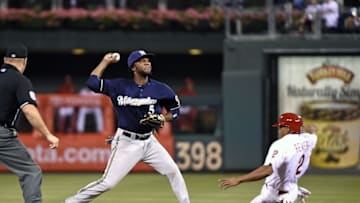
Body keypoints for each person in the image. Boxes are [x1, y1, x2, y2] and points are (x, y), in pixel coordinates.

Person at [65, 50, 191, 203]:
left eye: (148, 60)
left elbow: (175, 110)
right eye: (142, 60)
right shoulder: (119, 86)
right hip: (126, 141)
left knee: (173, 171)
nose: (147, 63)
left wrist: (163, 118)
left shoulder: (161, 89)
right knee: (108, 183)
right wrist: (105, 61)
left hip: (149, 142)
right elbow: (92, 83)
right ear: (133, 67)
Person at [0, 42, 60, 203]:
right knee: (31, 172)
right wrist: (48, 135)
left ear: (5, 59)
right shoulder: (20, 80)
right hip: (2, 136)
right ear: (25, 61)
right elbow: (29, 110)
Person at [219, 112, 318, 203]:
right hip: (285, 190)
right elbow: (313, 132)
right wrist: (303, 126)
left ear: (289, 129)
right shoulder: (308, 140)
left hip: (281, 196)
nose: (279, 130)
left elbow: (267, 170)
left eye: (281, 127)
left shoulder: (282, 144)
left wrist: (239, 179)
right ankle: (295, 190)